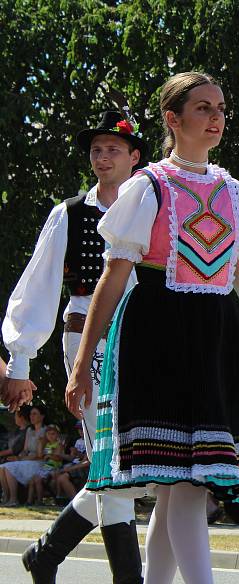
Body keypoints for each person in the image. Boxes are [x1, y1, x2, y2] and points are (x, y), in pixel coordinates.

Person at [65, 71, 239, 584]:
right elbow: (113, 276)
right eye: (204, 108)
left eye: (221, 109)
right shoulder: (148, 187)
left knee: (179, 488)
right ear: (174, 118)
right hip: (156, 338)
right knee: (186, 484)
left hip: (215, 340)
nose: (217, 118)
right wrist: (82, 365)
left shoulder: (232, 192)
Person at [2, 110, 147, 583]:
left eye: (113, 149)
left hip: (143, 344)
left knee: (122, 465)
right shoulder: (69, 213)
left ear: (134, 157)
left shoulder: (152, 208)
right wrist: (19, 360)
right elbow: (37, 286)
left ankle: (46, 553)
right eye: (96, 149)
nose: (102, 157)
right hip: (87, 341)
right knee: (112, 458)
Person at [0, 405, 46, 506]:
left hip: (39, 462)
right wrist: (19, 457)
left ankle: (14, 499)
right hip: (26, 460)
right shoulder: (29, 431)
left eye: (35, 414)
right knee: (2, 467)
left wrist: (20, 458)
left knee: (8, 467)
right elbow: (25, 450)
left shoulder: (45, 431)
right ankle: (6, 498)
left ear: (42, 416)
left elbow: (40, 455)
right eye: (31, 414)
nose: (31, 416)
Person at [30, 425, 64, 506]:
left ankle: (40, 501)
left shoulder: (59, 445)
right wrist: (40, 443)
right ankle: (32, 501)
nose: (51, 436)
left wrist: (49, 456)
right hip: (47, 466)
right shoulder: (47, 445)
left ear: (57, 435)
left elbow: (59, 458)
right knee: (34, 479)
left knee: (39, 479)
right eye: (48, 434)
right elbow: (41, 455)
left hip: (55, 466)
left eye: (53, 434)